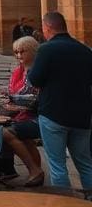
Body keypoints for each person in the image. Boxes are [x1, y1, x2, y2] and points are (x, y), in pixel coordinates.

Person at [27, 11, 92, 191]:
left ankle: (63, 202)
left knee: (57, 165)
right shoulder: (84, 49)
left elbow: (35, 79)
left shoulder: (46, 49)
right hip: (82, 115)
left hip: (53, 113)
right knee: (85, 163)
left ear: (47, 28)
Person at [1, 35, 44, 186]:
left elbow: (31, 97)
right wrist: (8, 98)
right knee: (24, 138)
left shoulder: (35, 71)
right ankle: (36, 170)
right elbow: (14, 93)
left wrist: (11, 100)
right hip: (23, 114)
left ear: (33, 51)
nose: (19, 55)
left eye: (22, 51)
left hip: (38, 116)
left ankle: (34, 170)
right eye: (16, 52)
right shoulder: (19, 71)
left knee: (6, 133)